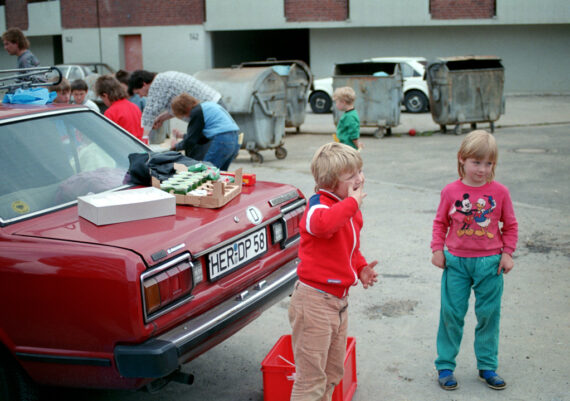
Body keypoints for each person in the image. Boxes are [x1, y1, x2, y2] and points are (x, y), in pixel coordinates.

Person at [288, 142, 378, 400]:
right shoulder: (319, 205)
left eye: (360, 171)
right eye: (351, 176)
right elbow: (322, 225)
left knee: (332, 371)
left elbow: (351, 249)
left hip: (339, 301)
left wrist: (361, 268)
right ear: (329, 182)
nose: (360, 178)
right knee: (311, 380)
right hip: (314, 302)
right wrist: (352, 204)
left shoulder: (348, 210)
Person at [430, 130, 518, 391]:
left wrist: (507, 253)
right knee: (451, 314)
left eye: (488, 163)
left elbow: (510, 225)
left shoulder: (500, 192)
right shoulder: (450, 191)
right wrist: (437, 249)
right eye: (476, 162)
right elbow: (440, 223)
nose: (482, 169)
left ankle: (487, 366)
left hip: (490, 264)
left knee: (489, 315)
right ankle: (445, 365)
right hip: (455, 263)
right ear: (462, 159)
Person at [128, 70, 223, 138]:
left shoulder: (157, 83)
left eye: (138, 92)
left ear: (144, 84)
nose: (140, 96)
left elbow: (149, 112)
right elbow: (177, 108)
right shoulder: (163, 80)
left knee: (199, 147)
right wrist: (161, 118)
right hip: (212, 107)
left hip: (209, 110)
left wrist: (144, 138)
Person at [169, 93, 240, 170]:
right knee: (220, 174)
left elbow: (192, 140)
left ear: (184, 110)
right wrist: (183, 136)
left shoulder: (197, 112)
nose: (186, 117)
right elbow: (200, 137)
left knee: (206, 171)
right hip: (234, 139)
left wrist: (176, 146)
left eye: (183, 114)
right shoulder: (207, 106)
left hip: (222, 140)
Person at [95, 75, 143, 140]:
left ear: (105, 95)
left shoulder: (110, 113)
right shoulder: (134, 107)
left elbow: (108, 138)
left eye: (101, 98)